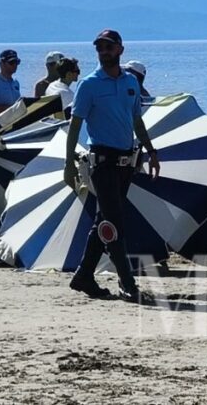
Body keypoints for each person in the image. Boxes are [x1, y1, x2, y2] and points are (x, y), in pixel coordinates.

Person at [63, 29, 160, 303]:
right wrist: (68, 163)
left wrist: (151, 151)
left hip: (126, 162)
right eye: (99, 47)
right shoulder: (89, 84)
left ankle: (83, 275)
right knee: (115, 222)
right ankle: (127, 283)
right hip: (102, 162)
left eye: (108, 46)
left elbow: (136, 121)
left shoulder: (130, 83)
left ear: (120, 50)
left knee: (103, 220)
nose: (103, 51)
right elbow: (75, 125)